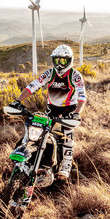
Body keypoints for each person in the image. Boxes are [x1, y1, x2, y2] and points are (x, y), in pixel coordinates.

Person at [9, 44, 87, 180]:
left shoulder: (75, 75)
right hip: (52, 108)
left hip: (70, 109)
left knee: (67, 135)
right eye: (57, 60)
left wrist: (77, 113)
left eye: (63, 60)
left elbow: (82, 96)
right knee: (38, 132)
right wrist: (17, 101)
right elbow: (32, 86)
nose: (59, 64)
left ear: (69, 61)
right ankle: (29, 160)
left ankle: (66, 166)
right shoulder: (49, 73)